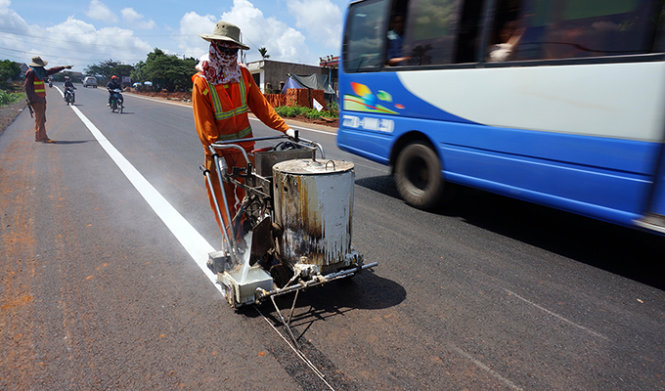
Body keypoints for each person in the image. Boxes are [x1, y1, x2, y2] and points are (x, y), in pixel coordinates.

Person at [192, 20, 296, 241]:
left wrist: (286, 129)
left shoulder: (243, 76)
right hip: (218, 154)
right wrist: (215, 154)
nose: (228, 53)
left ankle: (251, 241)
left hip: (244, 152)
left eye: (233, 49)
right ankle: (234, 246)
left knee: (250, 199)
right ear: (213, 46)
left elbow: (262, 108)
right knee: (224, 203)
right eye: (223, 48)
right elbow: (205, 125)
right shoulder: (202, 82)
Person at [24, 56, 72, 143]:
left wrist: (63, 67)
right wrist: (31, 99)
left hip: (41, 98)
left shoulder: (39, 72)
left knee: (40, 118)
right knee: (41, 118)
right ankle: (42, 137)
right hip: (36, 99)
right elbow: (27, 87)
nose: (43, 67)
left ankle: (38, 136)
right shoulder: (31, 72)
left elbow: (51, 71)